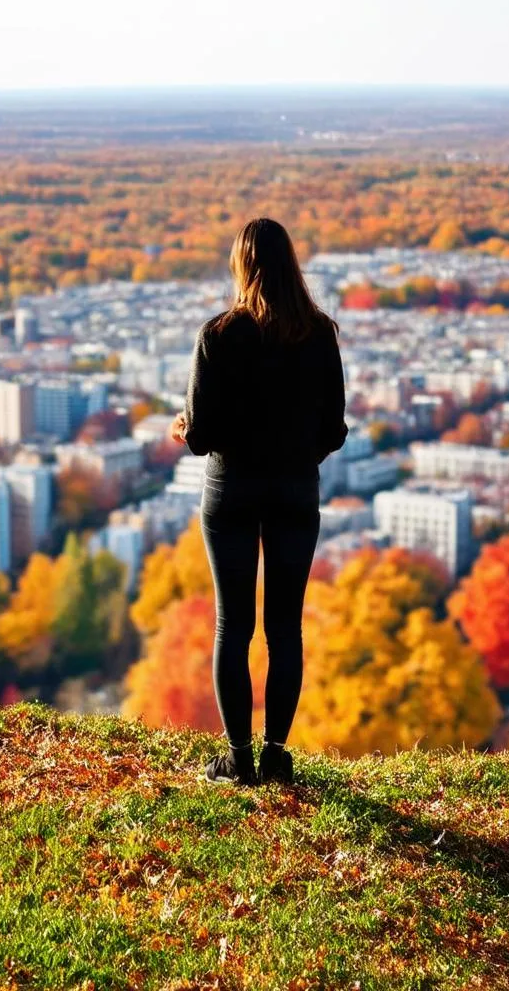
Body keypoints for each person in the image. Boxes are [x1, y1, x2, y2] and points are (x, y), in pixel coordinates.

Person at [169, 217, 348, 786]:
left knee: (233, 626)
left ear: (242, 267)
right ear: (292, 265)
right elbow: (335, 428)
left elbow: (199, 436)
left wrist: (182, 429)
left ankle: (238, 759)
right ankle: (276, 754)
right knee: (285, 628)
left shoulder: (218, 336)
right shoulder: (320, 334)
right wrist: (298, 458)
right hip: (295, 490)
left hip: (232, 492)